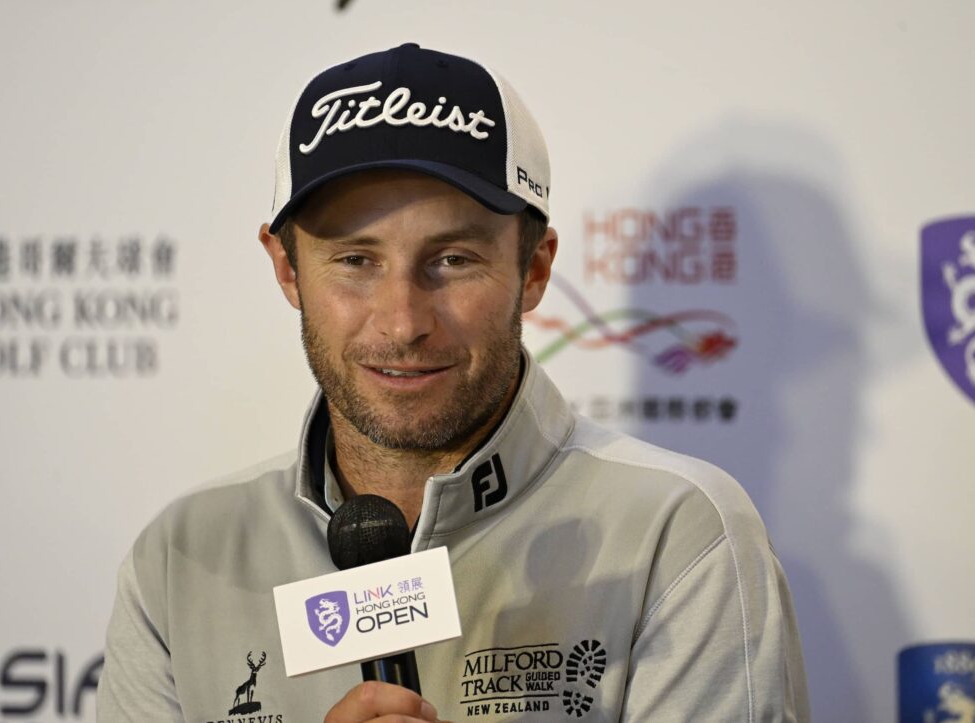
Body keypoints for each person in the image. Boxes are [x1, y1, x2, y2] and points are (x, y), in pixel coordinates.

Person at [97, 43, 809, 722]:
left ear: (533, 268)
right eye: (354, 259)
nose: (403, 321)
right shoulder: (178, 559)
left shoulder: (677, 533)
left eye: (453, 259)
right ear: (287, 268)